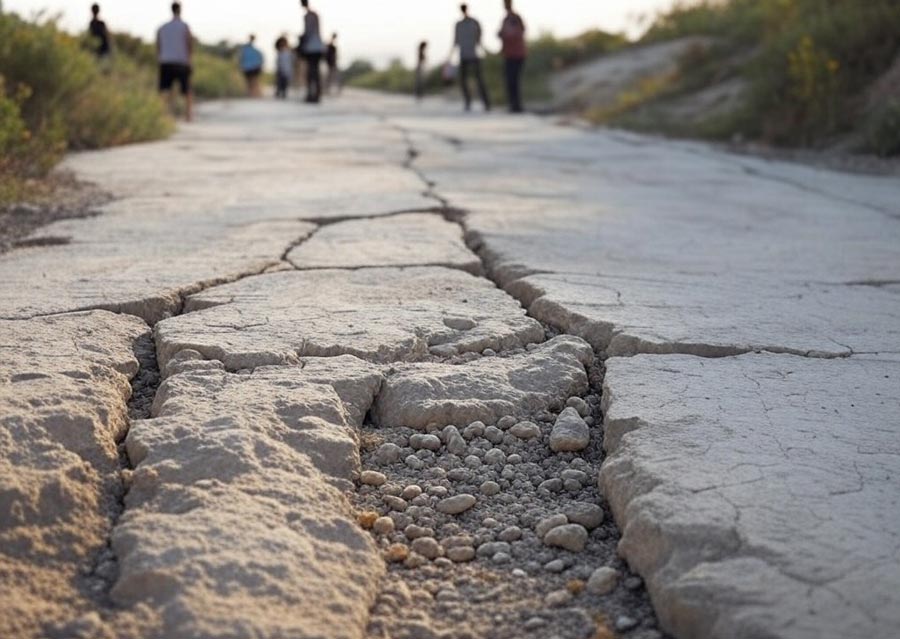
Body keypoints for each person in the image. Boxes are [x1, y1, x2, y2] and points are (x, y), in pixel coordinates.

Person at [157, 2, 193, 121]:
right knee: (186, 89)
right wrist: (190, 60)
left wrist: (160, 58)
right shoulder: (184, 26)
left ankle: (163, 115)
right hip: (181, 62)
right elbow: (189, 44)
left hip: (165, 61)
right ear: (180, 10)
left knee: (164, 90)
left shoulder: (163, 27)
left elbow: (159, 45)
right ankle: (188, 116)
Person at [451, 4, 490, 112]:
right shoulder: (458, 25)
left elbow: (479, 37)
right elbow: (455, 40)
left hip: (474, 54)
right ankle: (468, 102)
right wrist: (450, 56)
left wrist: (484, 49)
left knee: (479, 79)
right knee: (463, 80)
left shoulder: (474, 22)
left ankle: (486, 103)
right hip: (463, 55)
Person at [498, 0, 526, 113]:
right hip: (509, 54)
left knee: (514, 80)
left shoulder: (514, 18)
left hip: (517, 53)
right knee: (510, 80)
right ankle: (513, 105)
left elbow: (518, 32)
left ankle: (517, 105)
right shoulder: (506, 19)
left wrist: (504, 34)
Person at [299, 0, 325, 103]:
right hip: (318, 47)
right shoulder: (315, 14)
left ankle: (311, 95)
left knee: (311, 72)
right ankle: (316, 94)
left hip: (311, 48)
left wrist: (301, 41)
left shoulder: (308, 16)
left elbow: (308, 32)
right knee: (316, 72)